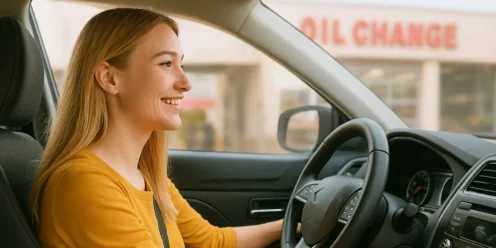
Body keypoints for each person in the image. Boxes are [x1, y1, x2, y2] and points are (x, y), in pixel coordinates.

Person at [30, 8, 288, 248]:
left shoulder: (147, 176)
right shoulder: (84, 184)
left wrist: (291, 226)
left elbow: (214, 240)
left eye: (181, 65)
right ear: (110, 78)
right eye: (166, 63)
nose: (186, 83)